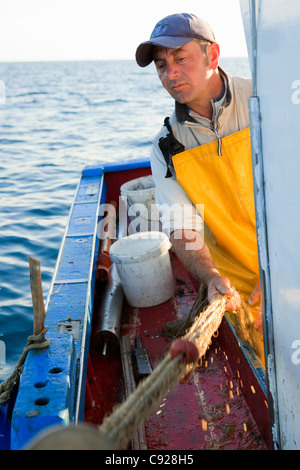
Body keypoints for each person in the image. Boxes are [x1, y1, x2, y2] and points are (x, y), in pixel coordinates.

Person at [135, 13, 263, 338]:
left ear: (213, 56)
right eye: (161, 65)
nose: (171, 73)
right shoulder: (166, 147)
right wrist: (211, 278)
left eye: (181, 58)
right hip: (233, 288)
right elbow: (183, 227)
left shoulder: (266, 101)